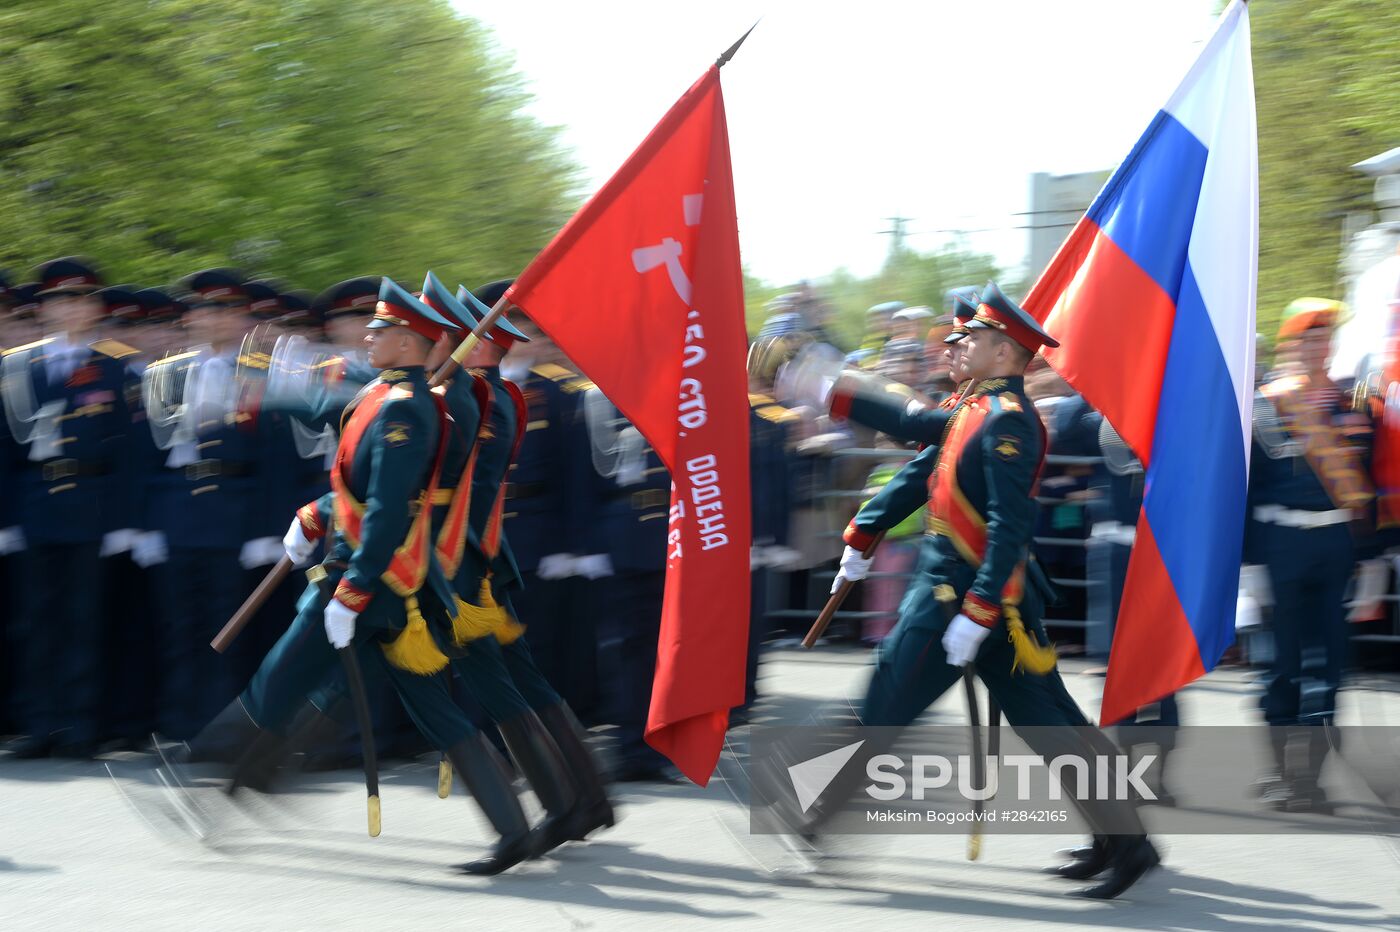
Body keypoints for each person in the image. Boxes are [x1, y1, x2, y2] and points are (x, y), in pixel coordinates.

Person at [811, 282, 1158, 899]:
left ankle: (813, 813)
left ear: (1003, 351)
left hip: (967, 599)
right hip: (977, 599)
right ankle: (1126, 841)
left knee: (890, 696)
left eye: (968, 338)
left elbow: (1008, 526)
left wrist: (976, 613)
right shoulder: (973, 408)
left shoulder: (1008, 422)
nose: (956, 346)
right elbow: (923, 468)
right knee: (1051, 725)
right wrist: (860, 538)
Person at [181, 278, 539, 875]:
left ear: (409, 341)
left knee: (282, 674)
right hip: (389, 579)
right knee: (430, 708)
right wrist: (312, 507)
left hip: (379, 577)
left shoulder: (416, 409)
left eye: (380, 329)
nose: (368, 336)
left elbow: (392, 505)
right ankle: (512, 829)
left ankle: (201, 770)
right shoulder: (397, 395)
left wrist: (350, 591)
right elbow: (347, 442)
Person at [1, 257, 139, 758]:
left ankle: (80, 726)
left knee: (84, 622)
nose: (72, 309)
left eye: (81, 300)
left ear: (96, 308)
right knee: (35, 621)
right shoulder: (17, 365)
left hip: (91, 505)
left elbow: (129, 451)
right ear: (44, 309)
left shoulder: (116, 362)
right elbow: (4, 449)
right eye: (61, 300)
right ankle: (40, 724)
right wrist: (7, 519)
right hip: (35, 504)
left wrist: (123, 521)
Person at [1247, 298, 1373, 812]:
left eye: (1324, 338)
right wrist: (1250, 562)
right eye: (1306, 339)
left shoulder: (1356, 404)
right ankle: (1282, 771)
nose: (1317, 347)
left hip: (1337, 542)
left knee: (1331, 665)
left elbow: (1375, 478)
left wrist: (1375, 558)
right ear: (1289, 345)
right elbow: (1247, 488)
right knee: (1281, 664)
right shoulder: (1266, 404)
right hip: (1281, 544)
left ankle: (1312, 780)